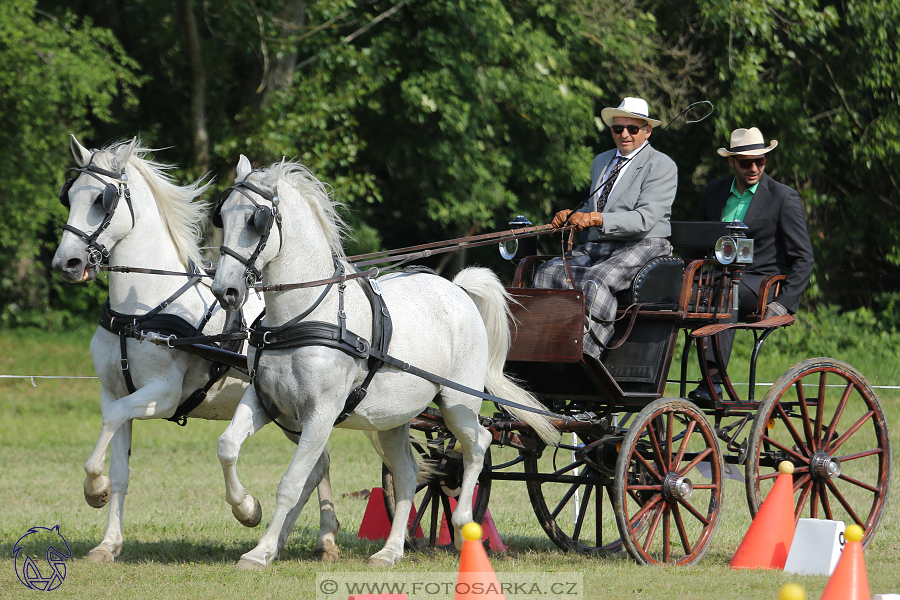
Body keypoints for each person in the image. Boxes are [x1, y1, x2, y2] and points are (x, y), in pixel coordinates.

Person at [534, 97, 677, 359]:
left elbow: (644, 219)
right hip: (599, 243)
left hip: (644, 243)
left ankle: (585, 357)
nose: (624, 134)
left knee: (596, 279)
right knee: (547, 271)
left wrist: (596, 219)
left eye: (632, 129)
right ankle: (545, 349)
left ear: (647, 131)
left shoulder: (662, 165)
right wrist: (572, 216)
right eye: (618, 128)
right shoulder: (601, 161)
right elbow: (594, 208)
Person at [690, 127, 814, 401]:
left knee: (725, 288)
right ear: (732, 162)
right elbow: (697, 241)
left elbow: (804, 257)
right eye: (746, 162)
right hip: (717, 276)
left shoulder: (783, 197)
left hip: (761, 283)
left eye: (761, 161)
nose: (754, 167)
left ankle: (712, 379)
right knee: (676, 292)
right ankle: (646, 379)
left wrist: (784, 303)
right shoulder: (714, 190)